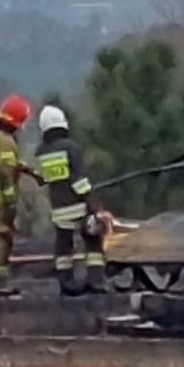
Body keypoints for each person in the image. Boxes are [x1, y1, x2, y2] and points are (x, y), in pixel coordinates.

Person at [35, 104, 106, 295]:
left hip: (59, 209)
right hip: (78, 206)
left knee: (63, 247)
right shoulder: (71, 147)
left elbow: (44, 179)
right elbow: (78, 180)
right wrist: (93, 203)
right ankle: (96, 281)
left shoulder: (41, 152)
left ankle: (67, 284)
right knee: (93, 242)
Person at [0, 94, 38, 292]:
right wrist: (11, 202)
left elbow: (4, 163)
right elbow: (5, 173)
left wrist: (28, 171)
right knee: (1, 242)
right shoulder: (8, 142)